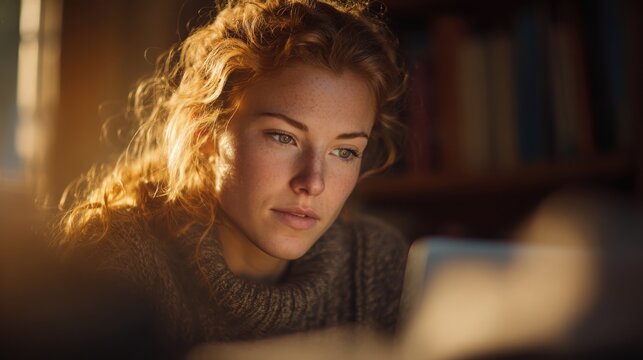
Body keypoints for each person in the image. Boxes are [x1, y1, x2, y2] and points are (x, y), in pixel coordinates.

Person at [55, 0, 408, 355]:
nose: (313, 182)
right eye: (283, 137)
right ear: (202, 132)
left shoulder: (378, 265)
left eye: (344, 151)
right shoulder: (121, 265)